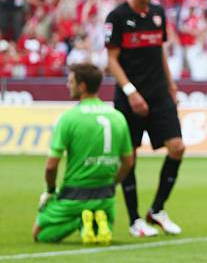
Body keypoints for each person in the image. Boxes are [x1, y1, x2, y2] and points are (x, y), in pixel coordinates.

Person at [105, 0, 185, 237]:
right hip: (131, 97)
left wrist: (172, 85)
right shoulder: (117, 16)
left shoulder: (158, 14)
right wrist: (130, 91)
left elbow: (159, 52)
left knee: (177, 147)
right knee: (130, 157)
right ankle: (134, 219)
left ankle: (157, 209)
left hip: (159, 92)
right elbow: (111, 61)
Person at [33, 63, 134, 244]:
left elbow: (51, 166)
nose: (67, 85)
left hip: (74, 195)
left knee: (39, 234)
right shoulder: (117, 117)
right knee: (100, 229)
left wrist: (49, 191)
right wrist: (112, 184)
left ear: (82, 86)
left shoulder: (69, 118)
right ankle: (97, 221)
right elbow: (128, 161)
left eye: (70, 81)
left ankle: (79, 220)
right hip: (105, 197)